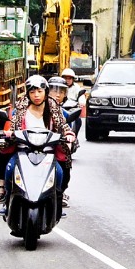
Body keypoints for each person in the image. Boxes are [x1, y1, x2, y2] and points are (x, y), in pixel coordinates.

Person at [0, 75, 75, 216]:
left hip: (48, 152)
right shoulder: (21, 108)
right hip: (23, 150)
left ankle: (58, 202)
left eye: (39, 91)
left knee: (60, 173)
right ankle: (7, 201)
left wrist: (69, 135)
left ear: (46, 92)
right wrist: (8, 133)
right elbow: (13, 127)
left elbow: (64, 126)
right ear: (28, 93)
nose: (36, 95)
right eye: (32, 92)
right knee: (10, 169)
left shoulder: (54, 108)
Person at [48, 76, 78, 208]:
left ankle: (60, 193)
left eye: (61, 91)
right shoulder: (31, 108)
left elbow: (68, 131)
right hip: (33, 146)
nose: (57, 94)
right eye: (54, 90)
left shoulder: (63, 113)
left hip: (55, 148)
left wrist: (70, 139)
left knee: (63, 168)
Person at [61, 68, 83, 136]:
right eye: (65, 78)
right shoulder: (59, 87)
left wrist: (81, 102)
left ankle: (74, 136)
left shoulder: (76, 87)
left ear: (73, 79)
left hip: (73, 109)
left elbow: (81, 96)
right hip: (61, 108)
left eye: (69, 78)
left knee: (78, 120)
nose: (67, 80)